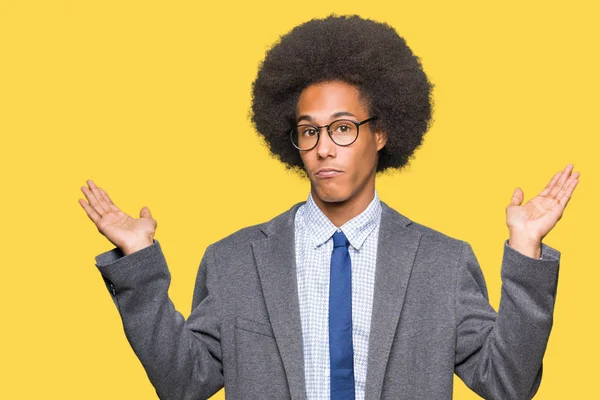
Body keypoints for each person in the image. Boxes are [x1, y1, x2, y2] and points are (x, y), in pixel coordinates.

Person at [79, 15, 579, 400]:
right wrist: (139, 263)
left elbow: (508, 384)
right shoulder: (233, 261)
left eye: (343, 127)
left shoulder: (441, 263)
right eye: (309, 130)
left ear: (380, 133)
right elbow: (184, 383)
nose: (324, 147)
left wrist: (525, 251)